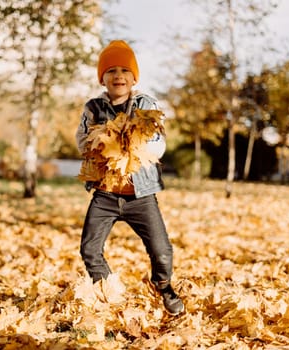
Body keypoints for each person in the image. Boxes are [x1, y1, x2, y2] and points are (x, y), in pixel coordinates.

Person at [75, 40, 184, 315]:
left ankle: (164, 286)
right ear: (103, 78)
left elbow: (158, 143)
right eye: (111, 70)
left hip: (141, 194)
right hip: (106, 194)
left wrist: (131, 142)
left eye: (125, 70)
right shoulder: (93, 107)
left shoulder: (146, 104)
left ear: (134, 77)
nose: (118, 76)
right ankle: (108, 292)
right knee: (89, 249)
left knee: (161, 251)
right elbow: (82, 141)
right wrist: (101, 141)